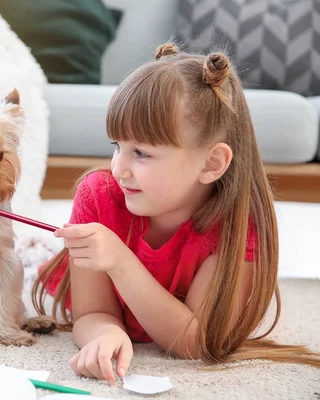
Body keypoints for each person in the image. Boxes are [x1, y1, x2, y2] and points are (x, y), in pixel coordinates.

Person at [31, 43, 320, 386]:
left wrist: (120, 261)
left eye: (141, 153)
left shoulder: (238, 225)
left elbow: (194, 342)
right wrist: (105, 333)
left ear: (211, 163)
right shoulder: (98, 196)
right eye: (117, 146)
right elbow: (91, 312)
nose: (118, 168)